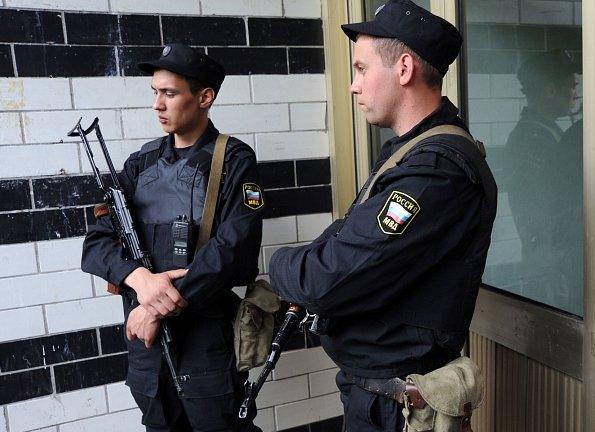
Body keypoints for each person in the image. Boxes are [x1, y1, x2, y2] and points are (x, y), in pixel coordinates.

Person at [268, 1, 497, 430]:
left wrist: (277, 264)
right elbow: (347, 240)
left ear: (404, 68)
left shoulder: (434, 170)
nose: (354, 86)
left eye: (361, 69)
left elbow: (328, 276)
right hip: (378, 397)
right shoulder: (409, 153)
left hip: (398, 410)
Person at [81, 43, 263, 432]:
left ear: (204, 97)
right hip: (147, 352)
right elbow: (96, 245)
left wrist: (153, 308)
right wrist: (138, 279)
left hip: (205, 345)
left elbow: (233, 254)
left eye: (170, 93)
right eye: (155, 93)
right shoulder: (140, 163)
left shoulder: (231, 160)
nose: (157, 105)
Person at [487, 50, 583, 311]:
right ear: (550, 90)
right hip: (552, 262)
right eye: (571, 86)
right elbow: (551, 210)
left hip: (552, 258)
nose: (575, 94)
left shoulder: (542, 133)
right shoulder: (533, 140)